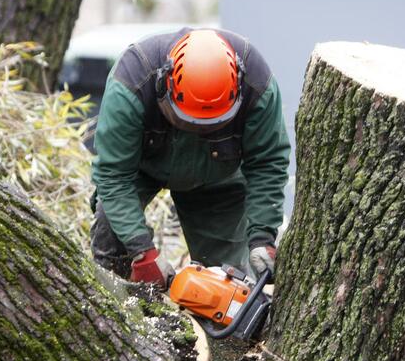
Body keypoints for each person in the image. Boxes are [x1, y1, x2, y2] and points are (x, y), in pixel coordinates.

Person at [90, 28, 290, 286]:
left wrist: (263, 235)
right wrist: (142, 250)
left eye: (210, 125)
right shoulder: (132, 81)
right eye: (190, 122)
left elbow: (268, 162)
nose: (199, 131)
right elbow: (113, 175)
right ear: (165, 84)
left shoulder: (257, 85)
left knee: (227, 285)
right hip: (140, 167)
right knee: (112, 238)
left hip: (218, 175)